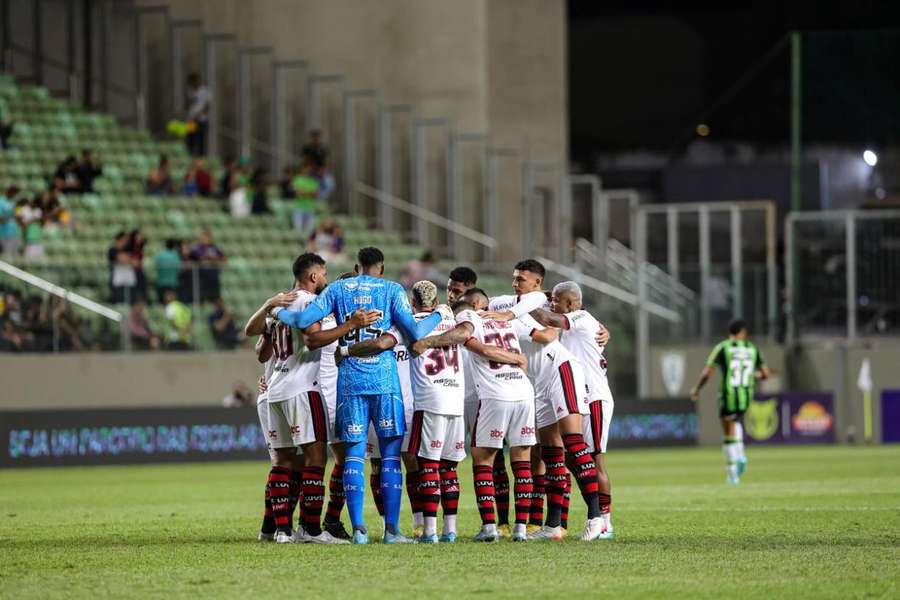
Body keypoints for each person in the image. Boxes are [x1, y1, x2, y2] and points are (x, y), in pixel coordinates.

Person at [270, 247, 442, 544]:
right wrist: (438, 315)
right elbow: (414, 331)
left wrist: (275, 310)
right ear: (382, 268)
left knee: (352, 454)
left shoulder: (336, 288)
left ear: (356, 266)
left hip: (349, 380)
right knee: (389, 456)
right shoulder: (391, 289)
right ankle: (391, 531)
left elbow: (301, 322)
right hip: (384, 381)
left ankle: (360, 530)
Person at [243, 253, 380, 544]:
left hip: (276, 389)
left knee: (284, 462)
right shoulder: (310, 304)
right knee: (315, 460)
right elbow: (312, 339)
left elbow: (260, 350)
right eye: (326, 275)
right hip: (306, 390)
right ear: (315, 276)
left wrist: (269, 306)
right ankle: (312, 528)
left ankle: (278, 529)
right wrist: (350, 325)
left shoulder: (283, 304)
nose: (329, 282)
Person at [422, 288, 533, 542]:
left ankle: (490, 527)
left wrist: (428, 341)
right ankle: (521, 529)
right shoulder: (506, 321)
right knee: (522, 461)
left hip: (496, 394)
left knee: (483, 461)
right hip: (524, 392)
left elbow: (478, 346)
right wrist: (518, 359)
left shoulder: (470, 317)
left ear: (473, 305)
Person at [530, 281, 617, 538]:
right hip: (574, 394)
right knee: (567, 457)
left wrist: (523, 304)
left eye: (557, 300)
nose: (553, 303)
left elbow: (546, 316)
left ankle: (604, 522)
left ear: (570, 303)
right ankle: (558, 523)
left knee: (594, 460)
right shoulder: (572, 322)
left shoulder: (582, 317)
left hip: (595, 398)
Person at [690, 319, 771, 485]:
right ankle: (740, 454)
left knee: (728, 433)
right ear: (742, 332)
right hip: (746, 396)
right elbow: (766, 374)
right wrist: (751, 375)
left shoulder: (723, 347)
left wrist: (697, 389)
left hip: (729, 395)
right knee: (735, 423)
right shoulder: (752, 348)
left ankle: (733, 471)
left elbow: (707, 372)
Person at [189, 229, 226, 303]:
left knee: (215, 297)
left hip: (213, 277)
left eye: (206, 237)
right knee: (202, 296)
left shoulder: (215, 248)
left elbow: (223, 259)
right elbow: (194, 259)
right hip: (201, 277)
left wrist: (214, 260)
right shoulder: (197, 248)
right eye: (203, 238)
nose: (205, 240)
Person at [185, 72, 210, 157]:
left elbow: (207, 106)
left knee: (201, 139)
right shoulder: (190, 91)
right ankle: (190, 155)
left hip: (201, 120)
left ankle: (201, 157)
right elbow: (189, 105)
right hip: (191, 120)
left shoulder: (204, 91)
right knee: (190, 138)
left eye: (192, 82)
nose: (192, 84)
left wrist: (199, 115)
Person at [291, 162, 320, 232]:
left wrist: (304, 192)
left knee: (309, 231)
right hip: (299, 207)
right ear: (302, 169)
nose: (308, 170)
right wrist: (310, 192)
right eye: (306, 169)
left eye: (309, 169)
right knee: (298, 229)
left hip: (310, 207)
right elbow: (298, 193)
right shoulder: (297, 179)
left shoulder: (313, 181)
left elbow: (316, 194)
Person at [154, 239, 182, 304]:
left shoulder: (160, 255)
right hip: (172, 283)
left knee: (163, 304)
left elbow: (156, 266)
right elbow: (179, 269)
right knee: (172, 303)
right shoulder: (175, 255)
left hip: (161, 283)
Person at [0, 186, 22, 258]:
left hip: (14, 232)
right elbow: (1, 218)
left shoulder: (13, 202)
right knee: (6, 256)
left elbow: (16, 216)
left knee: (14, 256)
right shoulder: (1, 201)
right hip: (4, 233)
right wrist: (11, 216)